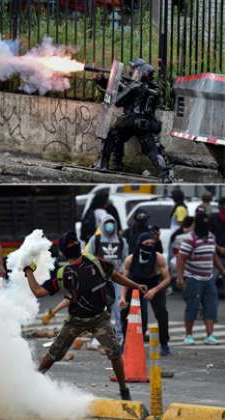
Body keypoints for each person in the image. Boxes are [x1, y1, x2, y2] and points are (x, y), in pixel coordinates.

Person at [23, 231, 148, 400]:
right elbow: (116, 276)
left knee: (54, 355)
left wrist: (28, 270)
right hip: (91, 320)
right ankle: (124, 391)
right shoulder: (94, 263)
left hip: (86, 320)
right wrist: (136, 286)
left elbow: (38, 291)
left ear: (62, 253)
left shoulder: (64, 274)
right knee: (114, 355)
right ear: (79, 247)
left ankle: (31, 383)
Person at [93, 58, 174, 182]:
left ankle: (103, 165)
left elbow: (119, 101)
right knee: (152, 150)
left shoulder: (134, 85)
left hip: (130, 120)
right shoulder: (155, 89)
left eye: (134, 70)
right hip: (147, 123)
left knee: (112, 136)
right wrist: (104, 81)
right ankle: (165, 175)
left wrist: (124, 87)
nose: (131, 72)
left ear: (140, 72)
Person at [176, 208, 225, 345]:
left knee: (211, 307)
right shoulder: (190, 239)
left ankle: (209, 336)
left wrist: (222, 270)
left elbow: (213, 254)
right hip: (193, 278)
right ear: (197, 225)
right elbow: (181, 259)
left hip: (208, 278)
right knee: (192, 306)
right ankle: (189, 335)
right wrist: (180, 277)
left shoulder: (211, 237)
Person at [120, 233, 171, 355]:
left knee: (162, 312)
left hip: (154, 284)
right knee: (127, 313)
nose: (149, 246)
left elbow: (168, 278)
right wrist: (122, 297)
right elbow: (124, 280)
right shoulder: (130, 259)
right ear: (139, 244)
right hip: (136, 284)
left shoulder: (159, 258)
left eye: (151, 244)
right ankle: (126, 342)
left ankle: (164, 343)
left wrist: (154, 290)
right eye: (146, 244)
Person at [87, 213, 129, 342]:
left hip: (116, 278)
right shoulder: (96, 239)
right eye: (107, 223)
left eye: (112, 223)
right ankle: (98, 335)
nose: (110, 226)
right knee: (100, 307)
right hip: (100, 279)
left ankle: (119, 335)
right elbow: (89, 256)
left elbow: (125, 259)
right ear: (103, 225)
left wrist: (118, 271)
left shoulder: (121, 241)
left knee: (117, 307)